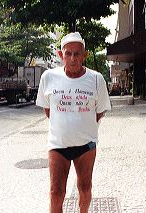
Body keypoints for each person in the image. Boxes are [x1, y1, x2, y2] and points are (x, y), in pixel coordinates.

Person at [36, 32, 111, 213]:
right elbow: (48, 111)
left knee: (85, 189)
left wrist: (82, 126)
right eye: (68, 53)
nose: (72, 58)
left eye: (77, 54)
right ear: (61, 55)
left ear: (84, 55)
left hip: (86, 146)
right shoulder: (48, 77)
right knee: (56, 193)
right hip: (57, 145)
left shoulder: (96, 79)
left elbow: (99, 112)